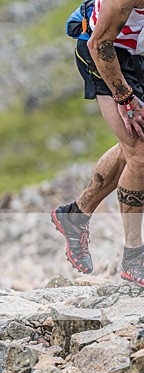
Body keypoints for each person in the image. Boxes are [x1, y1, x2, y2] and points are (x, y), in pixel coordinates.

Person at [52, 0, 144, 286]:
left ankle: (75, 215)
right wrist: (125, 98)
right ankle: (134, 258)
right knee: (140, 153)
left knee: (133, 145)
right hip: (104, 54)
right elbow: (99, 43)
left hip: (136, 52)